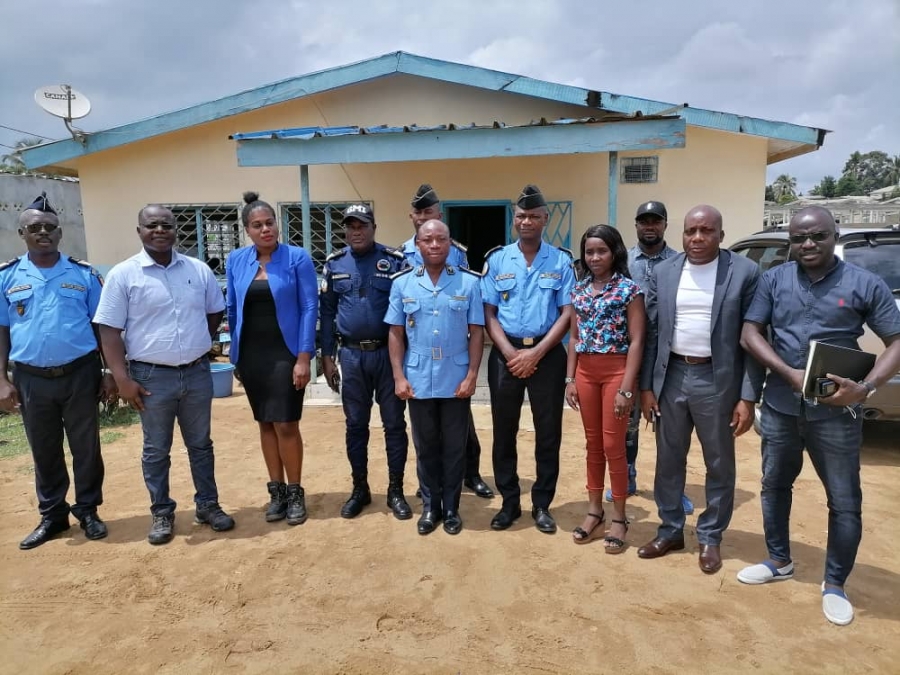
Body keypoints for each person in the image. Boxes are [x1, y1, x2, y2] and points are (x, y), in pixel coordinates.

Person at [737, 206, 900, 626]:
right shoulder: (774, 280)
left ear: (834, 234)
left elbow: (896, 341)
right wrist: (787, 373)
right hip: (780, 406)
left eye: (818, 236)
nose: (807, 244)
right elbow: (750, 332)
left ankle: (834, 583)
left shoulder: (864, 283)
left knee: (844, 502)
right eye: (799, 237)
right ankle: (778, 560)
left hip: (837, 412)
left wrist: (865, 388)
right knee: (774, 486)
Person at [95, 204, 234, 545]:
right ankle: (162, 512)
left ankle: (208, 505)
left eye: (166, 225)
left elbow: (214, 313)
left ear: (176, 230)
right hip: (150, 378)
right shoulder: (123, 275)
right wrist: (122, 378)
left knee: (201, 444)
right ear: (139, 231)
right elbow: (109, 331)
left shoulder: (197, 270)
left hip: (198, 373)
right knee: (156, 449)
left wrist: (194, 344)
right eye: (151, 225)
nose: (160, 230)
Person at [637, 205, 762, 573]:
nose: (697, 238)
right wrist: (647, 387)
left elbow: (753, 338)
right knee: (668, 458)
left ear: (721, 235)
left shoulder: (744, 272)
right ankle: (670, 528)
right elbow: (654, 331)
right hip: (672, 374)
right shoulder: (665, 271)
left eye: (706, 231)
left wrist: (747, 395)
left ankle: (710, 536)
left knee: (719, 462)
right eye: (691, 230)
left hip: (717, 379)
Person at [0, 192, 115, 549]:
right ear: (22, 234)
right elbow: (1, 331)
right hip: (31, 377)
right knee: (44, 449)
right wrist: (1, 380)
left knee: (86, 447)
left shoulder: (83, 275)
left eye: (50, 227)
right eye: (35, 228)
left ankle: (88, 511)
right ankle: (53, 516)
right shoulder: (7, 277)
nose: (43, 232)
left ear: (60, 233)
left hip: (81, 374)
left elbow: (103, 328)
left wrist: (110, 372)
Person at [481, 184, 575, 534]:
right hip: (505, 354)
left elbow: (567, 313)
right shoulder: (497, 259)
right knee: (503, 431)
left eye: (534, 216)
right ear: (513, 220)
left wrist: (535, 353)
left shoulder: (562, 261)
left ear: (545, 219)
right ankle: (509, 502)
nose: (527, 221)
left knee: (548, 432)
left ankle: (541, 504)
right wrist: (509, 352)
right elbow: (489, 312)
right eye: (521, 215)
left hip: (547, 355)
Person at [386, 219, 484, 535]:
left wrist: (472, 376)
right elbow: (396, 332)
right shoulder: (402, 284)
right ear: (417, 244)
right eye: (427, 239)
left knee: (455, 447)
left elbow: (477, 333)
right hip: (417, 378)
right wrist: (399, 376)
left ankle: (452, 508)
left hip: (455, 379)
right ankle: (430, 507)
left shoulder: (469, 283)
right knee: (426, 445)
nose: (434, 245)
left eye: (441, 239)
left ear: (450, 243)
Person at [226, 192, 318, 525]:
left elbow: (310, 307)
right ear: (247, 230)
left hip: (286, 352)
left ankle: (295, 492)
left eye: (269, 223)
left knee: (286, 423)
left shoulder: (296, 258)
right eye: (257, 225)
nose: (265, 229)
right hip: (251, 355)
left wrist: (304, 357)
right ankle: (276, 493)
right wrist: (234, 352)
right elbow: (233, 308)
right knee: (265, 422)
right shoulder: (237, 260)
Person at [319, 203, 412, 520]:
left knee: (394, 425)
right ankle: (360, 488)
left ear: (374, 227)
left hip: (388, 356)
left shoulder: (395, 261)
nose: (356, 231)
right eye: (351, 226)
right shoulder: (334, 264)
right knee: (356, 425)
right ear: (345, 230)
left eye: (362, 225)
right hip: (352, 357)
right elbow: (327, 311)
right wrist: (327, 356)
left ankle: (396, 490)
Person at [402, 184, 494, 499]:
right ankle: (429, 482)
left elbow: (464, 293)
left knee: (461, 424)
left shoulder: (455, 250)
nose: (423, 217)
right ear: (411, 216)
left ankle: (471, 473)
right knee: (425, 430)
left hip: (452, 355)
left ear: (439, 215)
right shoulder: (401, 252)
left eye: (429, 212)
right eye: (418, 213)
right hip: (421, 354)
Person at [605, 201, 693, 517]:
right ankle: (626, 477)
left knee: (670, 428)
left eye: (655, 221)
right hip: (630, 354)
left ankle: (671, 489)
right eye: (644, 221)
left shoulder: (680, 262)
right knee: (626, 423)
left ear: (665, 225)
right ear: (637, 225)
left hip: (669, 357)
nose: (649, 226)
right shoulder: (623, 261)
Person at [565, 225, 645, 552]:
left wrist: (627, 387)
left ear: (615, 252)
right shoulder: (579, 290)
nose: (595, 257)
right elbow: (573, 337)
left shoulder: (629, 289)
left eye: (601, 251)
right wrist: (570, 378)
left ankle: (620, 517)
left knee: (614, 445)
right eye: (589, 251)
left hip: (616, 371)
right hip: (585, 371)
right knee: (592, 444)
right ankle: (594, 511)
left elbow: (638, 339)